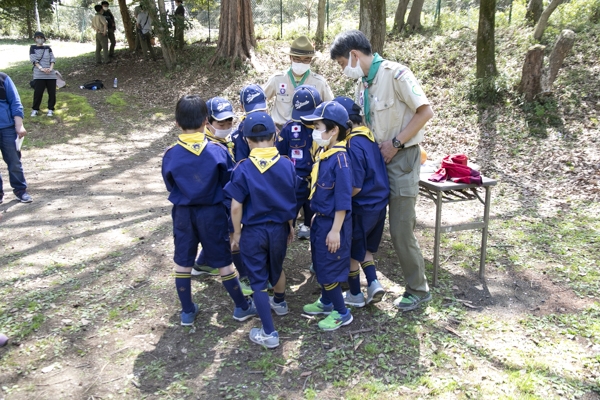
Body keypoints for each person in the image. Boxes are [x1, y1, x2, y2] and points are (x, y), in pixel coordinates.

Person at [330, 29, 435, 312]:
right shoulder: (364, 84)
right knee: (361, 219)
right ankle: (350, 277)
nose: (343, 70)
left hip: (401, 160)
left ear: (353, 55)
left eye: (342, 64)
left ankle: (417, 288)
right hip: (375, 163)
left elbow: (425, 111)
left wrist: (397, 143)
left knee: (401, 229)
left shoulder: (396, 74)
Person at [161, 95, 257, 326]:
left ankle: (187, 311)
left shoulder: (170, 153)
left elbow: (169, 184)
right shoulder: (218, 151)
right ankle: (241, 307)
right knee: (224, 261)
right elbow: (230, 184)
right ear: (206, 121)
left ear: (176, 123)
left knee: (183, 261)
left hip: (183, 214)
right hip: (212, 213)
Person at [225, 112, 297, 348]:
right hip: (278, 229)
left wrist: (236, 233)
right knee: (276, 268)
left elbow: (236, 206)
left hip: (253, 232)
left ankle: (269, 333)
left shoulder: (243, 168)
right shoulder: (287, 164)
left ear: (246, 141)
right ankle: (281, 302)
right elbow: (291, 198)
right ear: (275, 136)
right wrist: (290, 225)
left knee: (257, 280)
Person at [300, 102, 353, 331]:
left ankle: (342, 312)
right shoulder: (325, 154)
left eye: (319, 126)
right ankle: (326, 301)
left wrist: (335, 230)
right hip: (321, 219)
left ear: (334, 130)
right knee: (321, 263)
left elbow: (343, 199)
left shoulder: (340, 160)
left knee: (329, 268)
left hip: (333, 224)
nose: (315, 131)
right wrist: (317, 216)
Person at [333, 96, 389, 307]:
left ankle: (355, 293)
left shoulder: (352, 145)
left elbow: (355, 185)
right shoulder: (369, 138)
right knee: (363, 247)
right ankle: (374, 282)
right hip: (379, 205)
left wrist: (338, 202)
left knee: (350, 251)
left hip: (362, 207)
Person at [276, 85, 322, 240]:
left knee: (315, 218)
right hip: (296, 181)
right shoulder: (289, 128)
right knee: (288, 215)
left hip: (317, 181)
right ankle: (286, 235)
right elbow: (281, 155)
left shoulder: (323, 129)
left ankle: (310, 230)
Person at [262, 36, 334, 130]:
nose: (301, 63)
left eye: (306, 60)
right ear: (290, 57)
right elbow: (261, 100)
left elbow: (331, 106)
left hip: (308, 129)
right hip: (280, 128)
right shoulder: (277, 79)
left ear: (311, 60)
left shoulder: (319, 82)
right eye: (297, 59)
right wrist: (268, 121)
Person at [0, 72, 33, 203]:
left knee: (14, 161)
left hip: (7, 128)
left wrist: (19, 125)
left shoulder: (3, 78)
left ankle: (20, 190)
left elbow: (15, 101)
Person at [230, 84, 268, 162]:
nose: (257, 114)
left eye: (261, 110)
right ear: (242, 107)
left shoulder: (271, 125)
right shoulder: (239, 133)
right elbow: (242, 163)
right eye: (253, 112)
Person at [29, 32, 57, 117]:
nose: (39, 39)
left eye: (41, 37)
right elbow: (33, 60)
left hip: (50, 73)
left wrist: (51, 68)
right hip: (39, 73)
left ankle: (50, 109)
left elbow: (52, 58)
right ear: (35, 39)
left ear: (44, 39)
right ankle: (35, 109)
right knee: (38, 92)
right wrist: (41, 68)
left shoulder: (48, 48)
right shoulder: (32, 48)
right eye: (37, 37)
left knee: (52, 92)